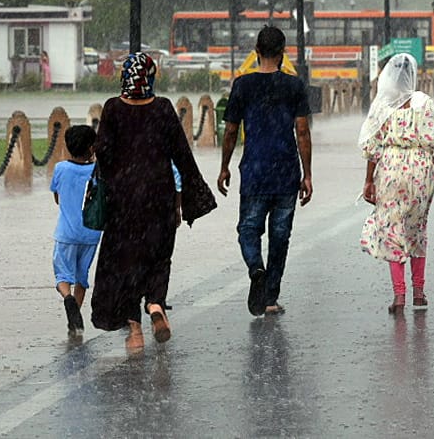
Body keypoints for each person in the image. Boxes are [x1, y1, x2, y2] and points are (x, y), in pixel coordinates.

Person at [90, 53, 216, 350]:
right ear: (151, 77)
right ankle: (156, 305)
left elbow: (103, 155)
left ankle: (135, 330)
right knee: (158, 255)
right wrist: (192, 199)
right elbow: (182, 155)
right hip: (159, 195)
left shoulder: (113, 109)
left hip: (124, 201)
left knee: (127, 260)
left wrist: (113, 184)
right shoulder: (162, 108)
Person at [218, 26, 313, 316]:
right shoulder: (294, 86)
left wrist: (224, 167)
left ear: (256, 51)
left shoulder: (242, 85)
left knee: (248, 229)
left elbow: (231, 130)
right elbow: (302, 131)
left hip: (255, 169)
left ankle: (255, 268)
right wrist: (307, 174)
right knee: (280, 237)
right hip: (285, 170)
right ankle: (270, 297)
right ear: (283, 52)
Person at [360, 54, 434, 314]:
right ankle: (419, 292)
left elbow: (373, 147)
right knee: (417, 228)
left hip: (391, 168)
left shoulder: (382, 105)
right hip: (421, 169)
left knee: (393, 229)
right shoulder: (424, 102)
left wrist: (368, 180)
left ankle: (399, 295)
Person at [49, 125, 101, 335]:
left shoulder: (61, 168)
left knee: (63, 275)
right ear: (91, 147)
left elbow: (56, 197)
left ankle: (68, 300)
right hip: (91, 234)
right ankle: (75, 320)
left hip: (66, 234)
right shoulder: (98, 170)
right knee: (82, 277)